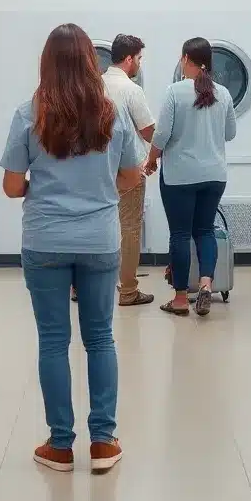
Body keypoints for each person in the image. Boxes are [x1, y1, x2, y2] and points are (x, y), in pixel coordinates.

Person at [0, 23, 141, 473]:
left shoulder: (28, 113)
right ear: (90, 62)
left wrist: (41, 186)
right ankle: (103, 444)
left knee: (54, 342)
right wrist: (99, 188)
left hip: (44, 240)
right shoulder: (111, 112)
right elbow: (133, 175)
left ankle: (60, 445)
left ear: (46, 63)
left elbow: (10, 186)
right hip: (99, 239)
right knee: (100, 339)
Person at [144, 37, 237, 318]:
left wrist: (151, 160)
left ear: (185, 59)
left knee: (181, 234)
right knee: (205, 230)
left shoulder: (175, 91)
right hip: (214, 176)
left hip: (180, 177)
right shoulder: (224, 93)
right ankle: (207, 285)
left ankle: (182, 299)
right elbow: (230, 134)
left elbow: (161, 135)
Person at [101, 34, 155, 306]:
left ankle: (83, 286)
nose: (140, 64)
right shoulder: (131, 89)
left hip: (96, 169)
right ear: (129, 58)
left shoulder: (95, 85)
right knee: (130, 228)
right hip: (128, 170)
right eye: (140, 58)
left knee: (97, 225)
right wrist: (160, 150)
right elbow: (148, 131)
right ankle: (128, 291)